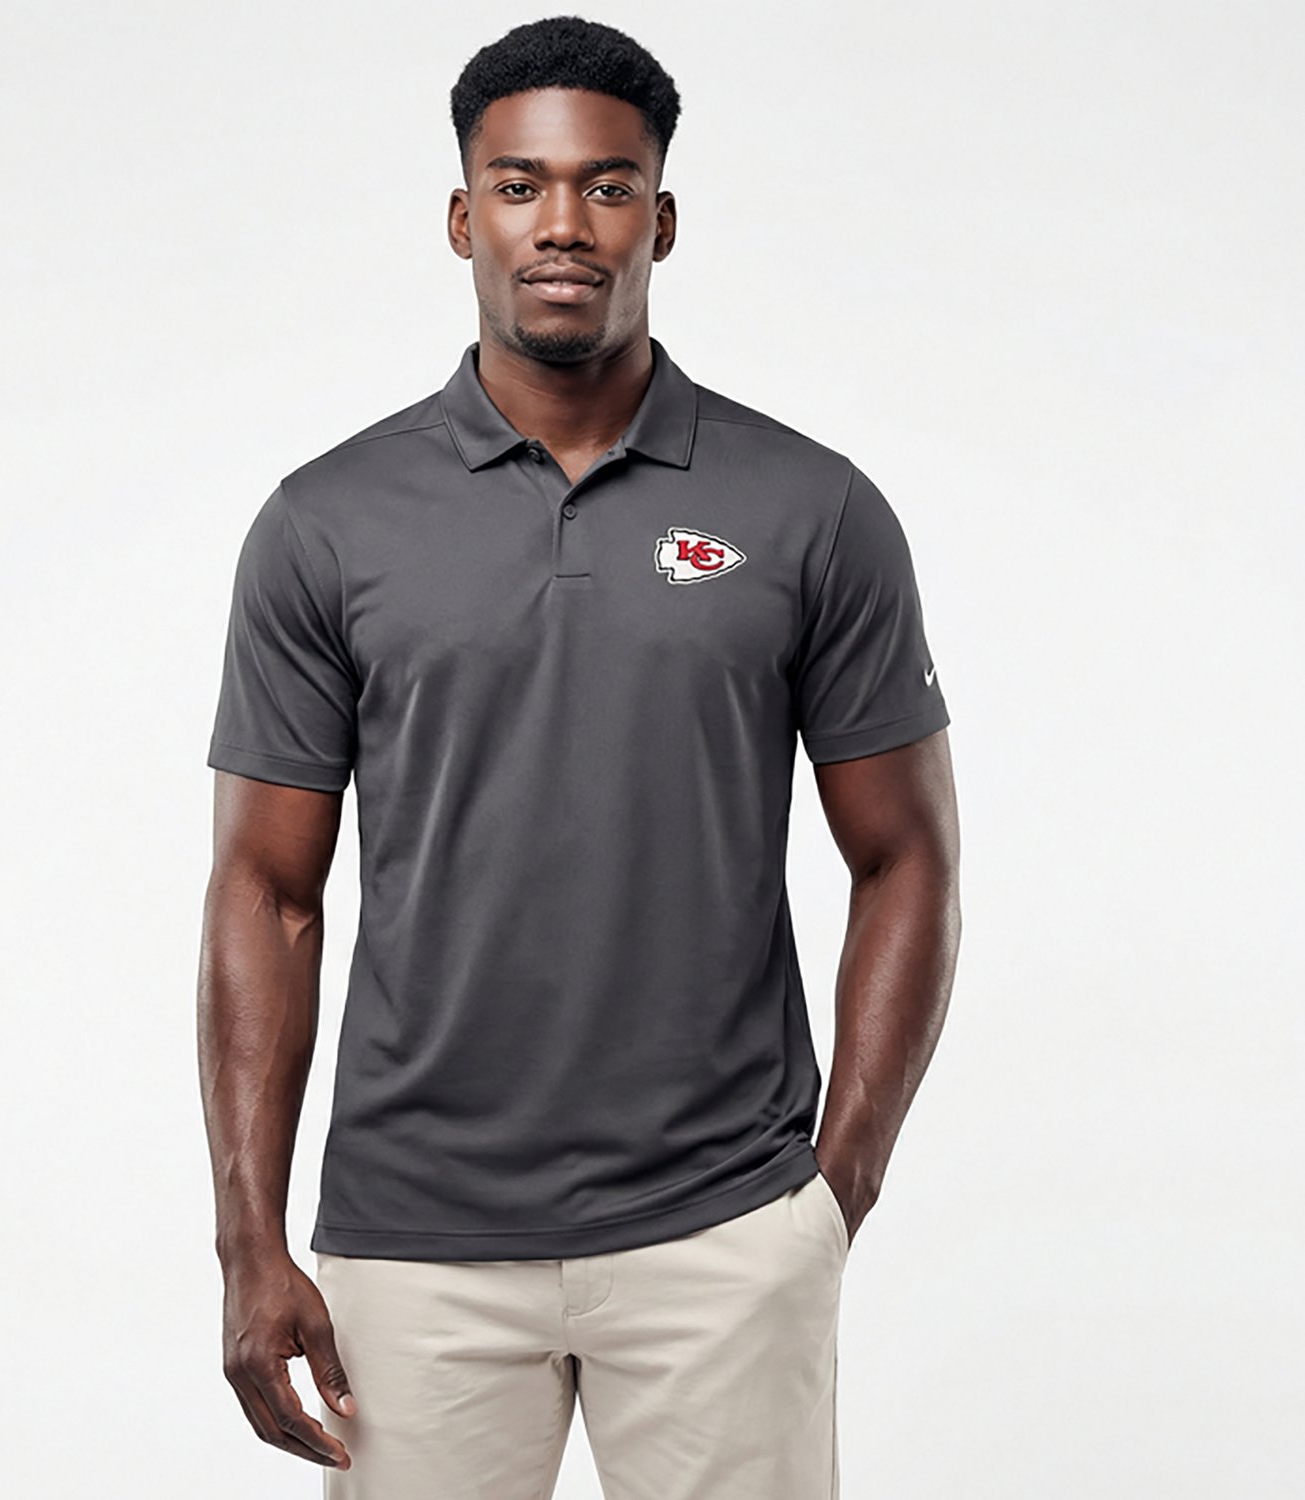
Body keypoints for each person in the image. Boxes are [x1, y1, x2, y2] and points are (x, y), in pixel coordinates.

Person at [197, 15, 960, 1499]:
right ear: (462, 217)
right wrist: (248, 1239)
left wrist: (833, 1192)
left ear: (660, 220)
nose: (564, 224)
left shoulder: (811, 508)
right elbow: (265, 891)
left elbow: (907, 855)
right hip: (413, 1246)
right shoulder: (325, 524)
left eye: (609, 187)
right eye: (521, 185)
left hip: (722, 1228)